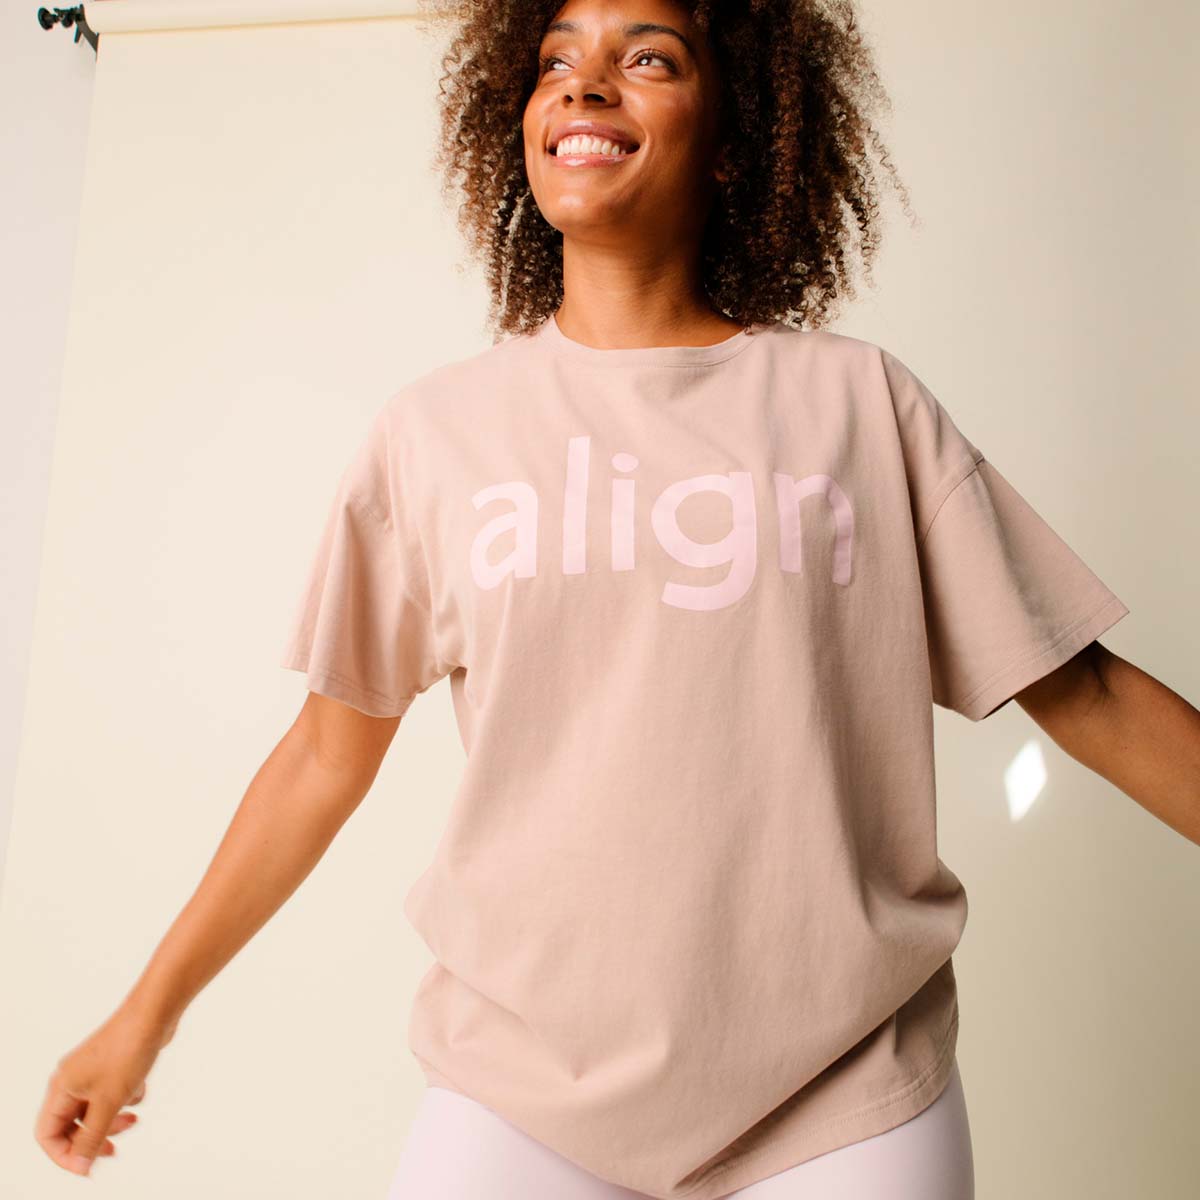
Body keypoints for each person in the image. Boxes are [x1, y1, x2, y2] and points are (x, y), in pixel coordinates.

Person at [34, 1, 1200, 1197]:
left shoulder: (861, 405)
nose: (584, 84)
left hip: (848, 1089)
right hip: (521, 1089)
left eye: (647, 57)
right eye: (557, 59)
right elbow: (325, 756)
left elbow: (1089, 694)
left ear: (735, 141)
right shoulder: (436, 435)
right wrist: (143, 1018)